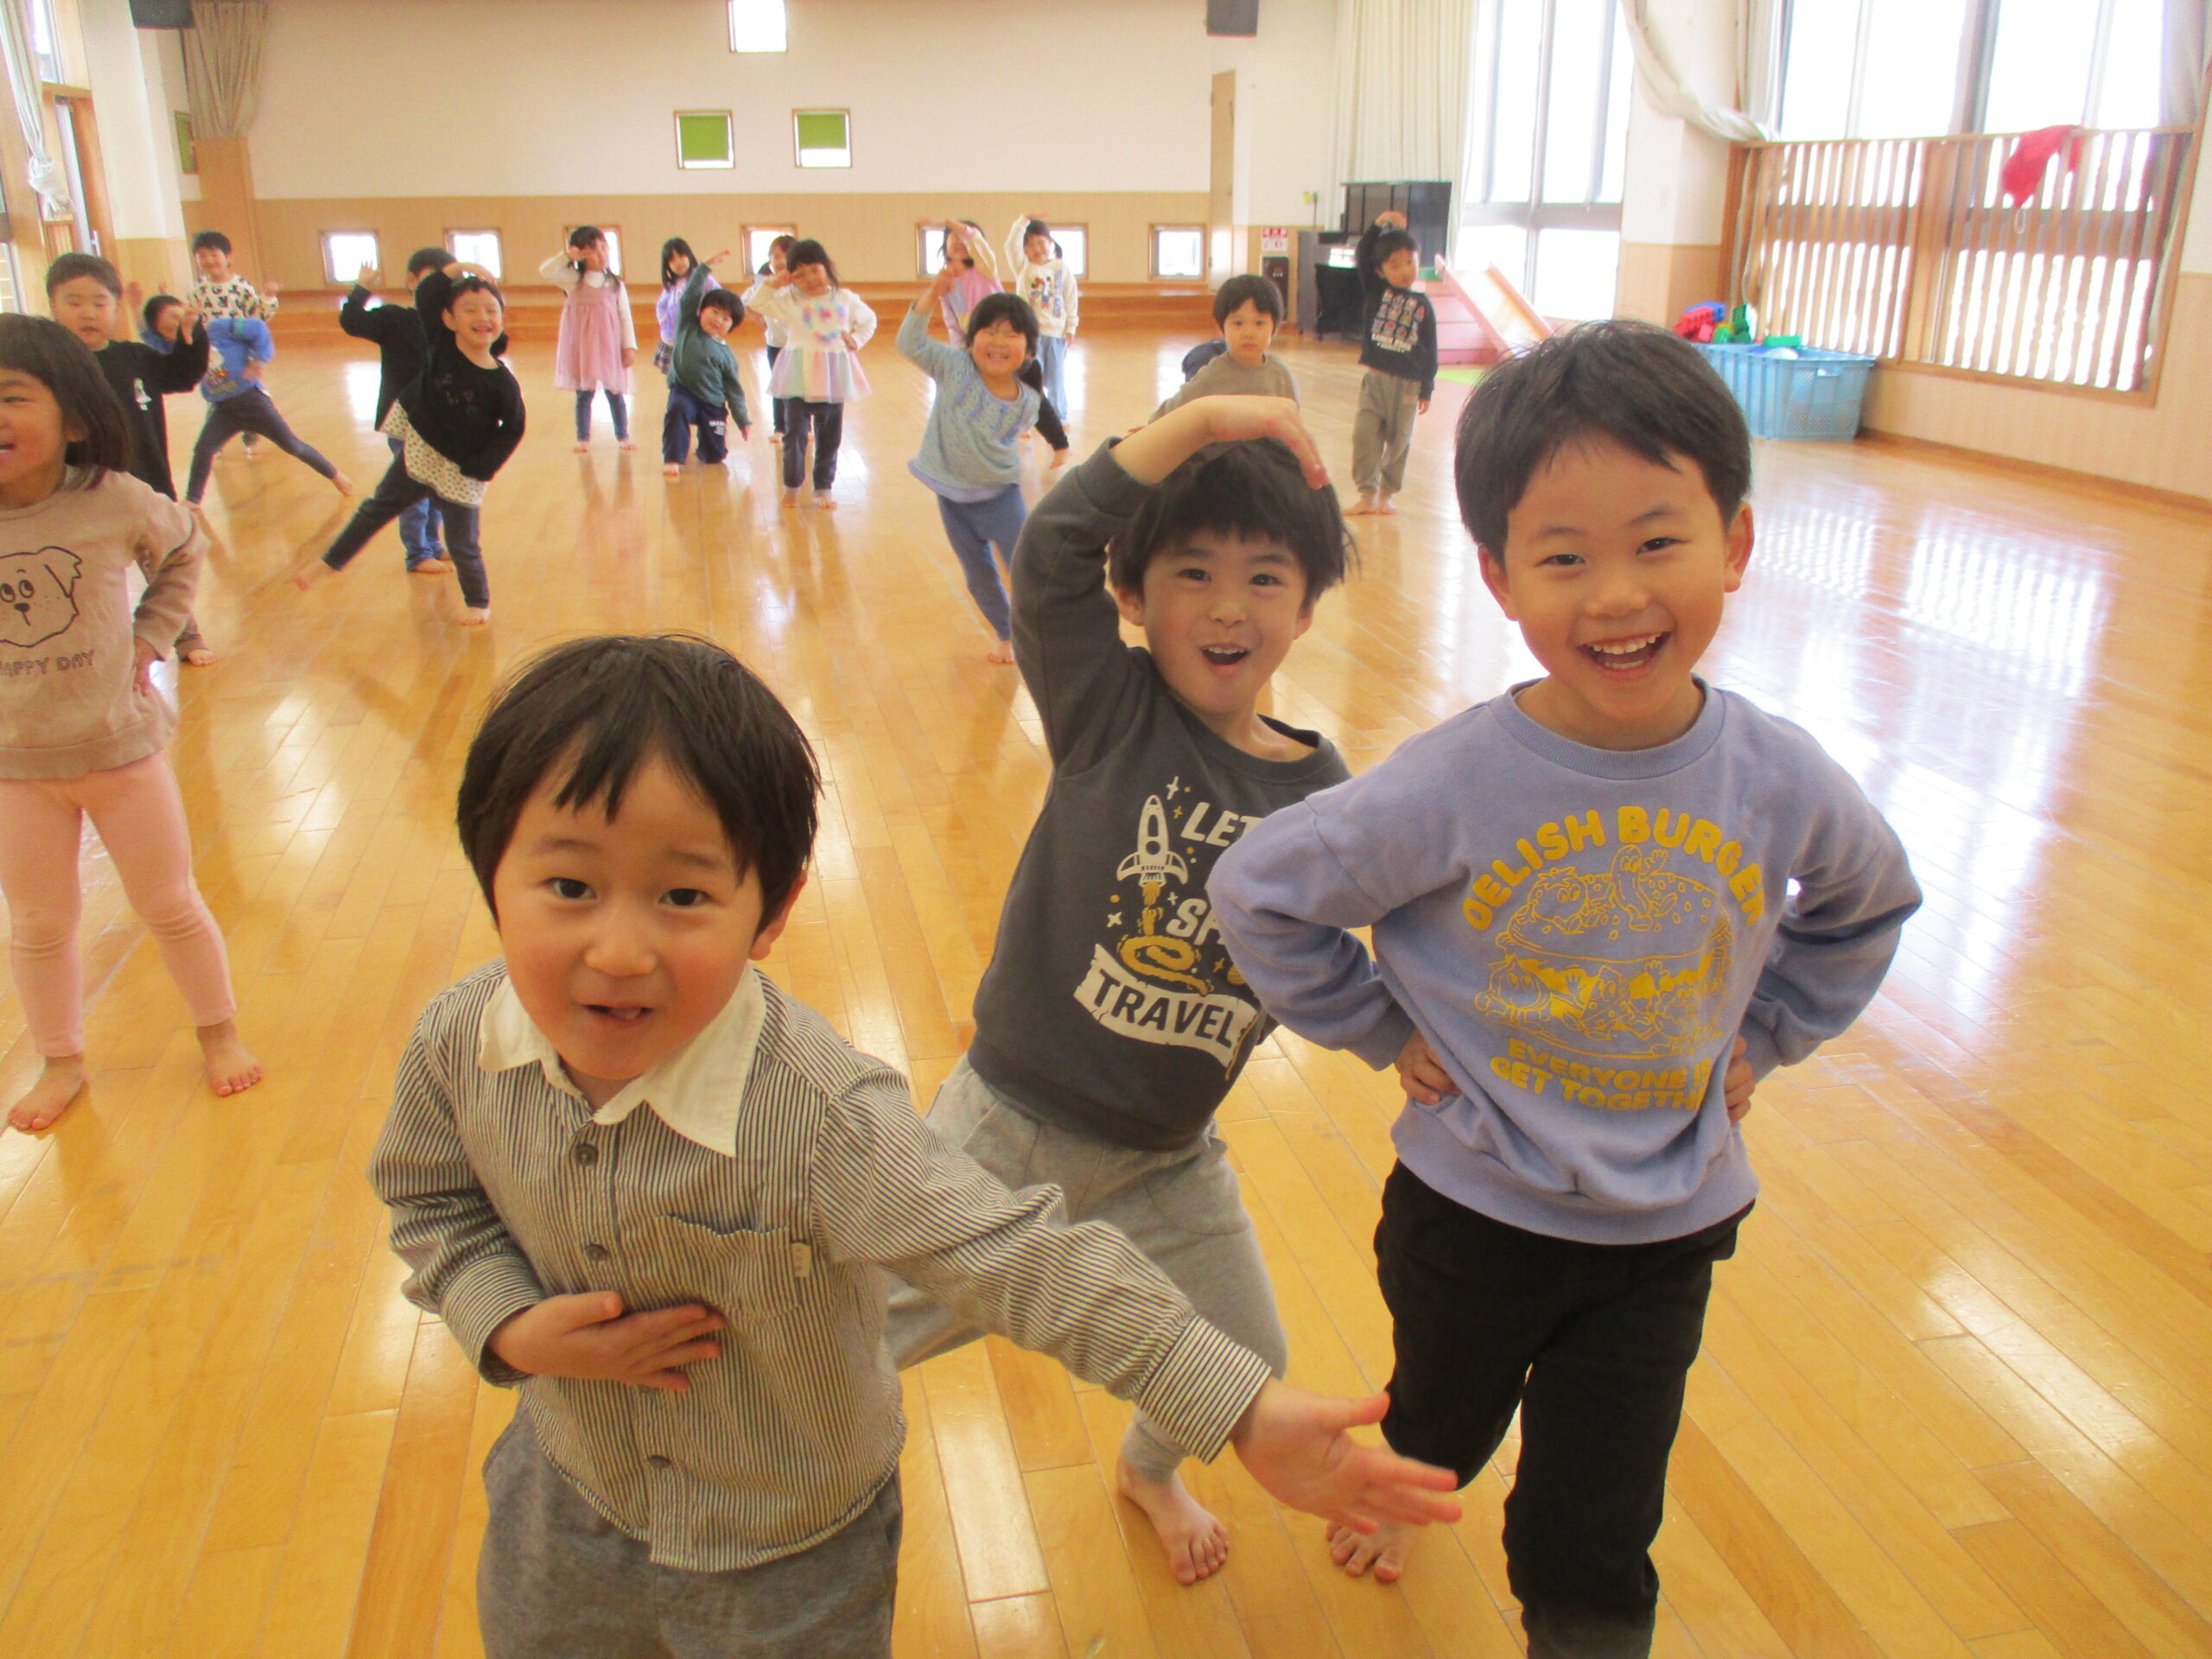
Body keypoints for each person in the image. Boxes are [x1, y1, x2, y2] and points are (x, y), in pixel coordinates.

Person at [367, 632, 1460, 1658]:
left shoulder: (822, 1116)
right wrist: (507, 1325)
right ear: (490, 875)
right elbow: (430, 1203)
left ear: (773, 909)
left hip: (789, 1554)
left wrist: (1239, 1403)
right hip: (565, 1502)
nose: (617, 949)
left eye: (683, 895)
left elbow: (1015, 1253)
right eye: (567, 886)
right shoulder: (458, 1041)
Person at [1209, 321, 1922, 1659]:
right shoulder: (1456, 779)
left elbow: (1869, 901)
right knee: (1440, 1407)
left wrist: (1770, 1032)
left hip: (1668, 1225)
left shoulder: (1778, 776)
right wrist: (1376, 1025)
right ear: (1498, 576)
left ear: (1738, 544)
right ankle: (1410, 1486)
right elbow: (1261, 888)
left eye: (1660, 543)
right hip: (1471, 1211)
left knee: (1600, 1518)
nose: (1615, 596)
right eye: (1564, 558)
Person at [882, 395, 1357, 1585]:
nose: (1229, 604)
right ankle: (726, 1450)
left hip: (1167, 1151)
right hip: (1006, 1126)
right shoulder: (1112, 708)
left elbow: (1340, 964)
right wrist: (1195, 426)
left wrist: (1419, 1039)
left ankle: (1148, 1471)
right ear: (1137, 599)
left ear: (1305, 608)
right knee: (859, 1329)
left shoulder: (1326, 792)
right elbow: (1044, 557)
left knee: (1244, 1350)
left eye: (1265, 577)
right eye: (1191, 573)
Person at [0, 315, 260, 1133]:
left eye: (11, 398)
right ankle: (61, 1059)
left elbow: (184, 549)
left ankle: (217, 1033)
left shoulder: (111, 500)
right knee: (40, 923)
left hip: (120, 753)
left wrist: (151, 637)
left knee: (170, 903)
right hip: (16, 766)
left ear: (72, 416)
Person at [301, 275, 523, 626]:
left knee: (463, 543)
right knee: (375, 510)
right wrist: (459, 267)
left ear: (501, 320)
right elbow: (429, 294)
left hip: (461, 468)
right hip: (420, 453)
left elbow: (513, 428)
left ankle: (478, 603)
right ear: (448, 320)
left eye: (491, 310)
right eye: (469, 309)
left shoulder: (502, 382)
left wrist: (482, 466)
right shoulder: (439, 348)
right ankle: (329, 563)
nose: (482, 316)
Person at [41, 254, 216, 666]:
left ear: (116, 308)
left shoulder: (135, 358)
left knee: (164, 563)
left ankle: (186, 636)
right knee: (86, 574)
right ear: (53, 306)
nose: (88, 312)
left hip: (143, 485)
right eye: (74, 301)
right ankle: (88, 645)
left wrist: (191, 336)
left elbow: (182, 375)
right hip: (76, 492)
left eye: (99, 302)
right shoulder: (49, 367)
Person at [898, 275, 1070, 663]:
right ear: (971, 339)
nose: (997, 342)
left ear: (1027, 350)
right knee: (978, 576)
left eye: (1010, 334)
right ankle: (1006, 632)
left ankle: (1047, 628)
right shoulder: (954, 367)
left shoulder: (1027, 398)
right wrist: (931, 296)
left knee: (1023, 570)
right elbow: (909, 342)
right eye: (988, 332)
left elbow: (1047, 415)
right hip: (953, 499)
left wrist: (1059, 445)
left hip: (1001, 496)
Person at [340, 248, 504, 577]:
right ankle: (417, 553)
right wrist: (361, 288)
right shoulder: (393, 319)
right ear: (412, 282)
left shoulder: (450, 327)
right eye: (432, 280)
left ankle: (431, 542)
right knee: (413, 490)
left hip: (443, 424)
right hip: (407, 422)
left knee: (437, 487)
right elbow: (352, 321)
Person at [744, 240, 874, 509]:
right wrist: (774, 284)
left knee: (829, 436)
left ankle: (823, 488)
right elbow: (756, 303)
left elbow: (869, 319)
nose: (809, 279)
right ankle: (792, 486)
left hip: (832, 376)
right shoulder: (789, 299)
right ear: (792, 277)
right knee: (794, 434)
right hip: (798, 376)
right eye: (800, 274)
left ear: (826, 266)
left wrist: (856, 340)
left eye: (815, 269)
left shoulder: (844, 298)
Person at [175, 311, 353, 507]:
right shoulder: (181, 346)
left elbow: (258, 328)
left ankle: (336, 476)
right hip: (224, 410)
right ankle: (193, 498)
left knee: (292, 445)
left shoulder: (218, 328)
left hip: (253, 403)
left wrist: (258, 362)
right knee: (203, 449)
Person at [1346, 210, 1436, 518]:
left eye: (1410, 261)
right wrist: (1377, 224)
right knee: (1365, 435)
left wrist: (1427, 387)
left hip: (1409, 384)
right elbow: (1362, 253)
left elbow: (1430, 349)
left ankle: (1387, 494)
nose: (1405, 270)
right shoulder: (1376, 291)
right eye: (1395, 265)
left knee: (1400, 441)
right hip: (1376, 380)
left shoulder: (1423, 306)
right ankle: (1366, 493)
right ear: (1381, 271)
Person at [184, 230, 280, 459]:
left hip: (240, 353)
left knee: (246, 395)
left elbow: (257, 317)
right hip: (212, 355)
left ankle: (251, 438)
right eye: (201, 255)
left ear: (228, 257)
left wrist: (268, 297)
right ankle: (214, 443)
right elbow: (191, 318)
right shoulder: (197, 289)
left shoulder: (241, 287)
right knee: (216, 397)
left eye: (213, 254)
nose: (208, 260)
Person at [1153, 274, 1298, 420]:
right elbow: (1175, 407)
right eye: (1238, 323)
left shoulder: (1280, 374)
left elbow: (1292, 419)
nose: (1248, 334)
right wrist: (1151, 429)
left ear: (1276, 328)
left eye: (1259, 323)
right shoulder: (1213, 374)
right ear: (1220, 327)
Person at [543, 226, 634, 452]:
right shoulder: (574, 280)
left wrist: (629, 346)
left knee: (615, 392)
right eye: (593, 250)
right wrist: (566, 257)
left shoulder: (616, 284)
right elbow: (546, 271)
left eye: (604, 247)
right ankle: (582, 438)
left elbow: (625, 316)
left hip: (609, 345)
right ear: (581, 255)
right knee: (584, 394)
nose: (601, 254)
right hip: (583, 348)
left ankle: (622, 435)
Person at [661, 260, 753, 478]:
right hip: (684, 390)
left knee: (714, 456)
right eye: (714, 311)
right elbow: (689, 296)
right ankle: (673, 456)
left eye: (726, 318)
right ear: (701, 310)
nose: (718, 320)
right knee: (677, 409)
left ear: (731, 326)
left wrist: (743, 419)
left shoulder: (726, 355)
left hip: (712, 403)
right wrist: (702, 269)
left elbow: (734, 390)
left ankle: (707, 447)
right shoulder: (687, 326)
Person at [1002, 215, 1078, 415]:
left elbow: (1070, 298)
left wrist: (1071, 326)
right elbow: (1010, 246)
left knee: (1056, 379)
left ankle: (1059, 417)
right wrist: (1022, 221)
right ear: (1024, 250)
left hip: (1056, 335)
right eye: (1030, 245)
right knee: (1029, 377)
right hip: (1031, 335)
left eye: (1041, 242)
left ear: (1050, 243)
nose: (1037, 249)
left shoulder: (1060, 268)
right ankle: (1026, 417)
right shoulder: (1024, 268)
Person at [755, 234, 798, 446]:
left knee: (800, 386)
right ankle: (780, 428)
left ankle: (803, 426)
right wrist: (760, 320)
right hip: (775, 345)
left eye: (786, 255)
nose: (781, 260)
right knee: (779, 386)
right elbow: (748, 303)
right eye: (776, 256)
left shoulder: (799, 286)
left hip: (799, 346)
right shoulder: (766, 284)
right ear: (770, 261)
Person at [652, 238, 716, 378]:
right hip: (672, 341)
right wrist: (664, 320)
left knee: (698, 378)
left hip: (696, 341)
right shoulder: (671, 286)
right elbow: (661, 305)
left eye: (681, 256)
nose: (678, 262)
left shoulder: (704, 280)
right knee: (677, 381)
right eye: (672, 260)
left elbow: (717, 299)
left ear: (689, 256)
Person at [934, 220, 1001, 344]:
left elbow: (977, 242)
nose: (961, 240)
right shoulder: (947, 280)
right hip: (972, 345)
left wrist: (957, 226)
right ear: (946, 247)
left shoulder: (985, 269)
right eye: (956, 236)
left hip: (998, 339)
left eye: (964, 237)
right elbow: (952, 322)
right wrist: (960, 349)